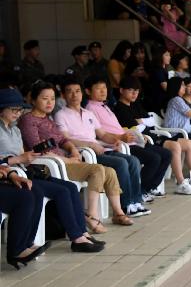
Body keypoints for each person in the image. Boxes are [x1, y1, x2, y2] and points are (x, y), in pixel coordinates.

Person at [0, 88, 104, 254]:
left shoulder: (15, 129)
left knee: (68, 187)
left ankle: (81, 233)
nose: (17, 113)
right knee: (48, 192)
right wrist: (18, 160)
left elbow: (22, 154)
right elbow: (12, 158)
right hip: (9, 173)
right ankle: (76, 238)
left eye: (20, 109)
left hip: (25, 170)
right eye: (13, 109)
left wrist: (28, 157)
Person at [19, 80, 133, 230]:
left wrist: (72, 148)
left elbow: (62, 139)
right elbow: (37, 149)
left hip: (65, 161)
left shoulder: (47, 119)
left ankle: (118, 213)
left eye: (52, 99)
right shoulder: (28, 120)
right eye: (44, 98)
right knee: (97, 169)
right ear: (33, 100)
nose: (49, 102)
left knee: (110, 171)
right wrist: (67, 159)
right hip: (49, 166)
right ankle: (92, 216)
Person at [54, 78, 151, 217]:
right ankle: (126, 205)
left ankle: (136, 201)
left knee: (133, 161)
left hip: (99, 150)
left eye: (77, 91)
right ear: (63, 95)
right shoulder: (60, 115)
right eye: (69, 92)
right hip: (85, 154)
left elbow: (103, 134)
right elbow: (65, 139)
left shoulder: (88, 113)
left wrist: (116, 140)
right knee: (121, 163)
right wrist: (90, 145)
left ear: (82, 94)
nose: (74, 95)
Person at [113, 76, 191, 195]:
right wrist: (143, 122)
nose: (134, 93)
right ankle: (179, 183)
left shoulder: (135, 105)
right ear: (121, 90)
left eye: (137, 91)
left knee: (186, 145)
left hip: (152, 134)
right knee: (172, 148)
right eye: (130, 90)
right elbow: (134, 126)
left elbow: (148, 120)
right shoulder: (119, 108)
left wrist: (142, 122)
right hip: (141, 139)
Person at [85, 75, 171, 200]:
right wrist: (121, 138)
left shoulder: (104, 106)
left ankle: (147, 188)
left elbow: (119, 128)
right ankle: (141, 191)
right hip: (118, 144)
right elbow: (100, 133)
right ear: (88, 91)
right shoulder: (91, 109)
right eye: (98, 89)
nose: (103, 91)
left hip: (129, 140)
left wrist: (138, 136)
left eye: (104, 88)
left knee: (166, 154)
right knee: (154, 158)